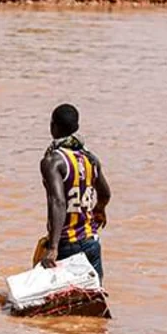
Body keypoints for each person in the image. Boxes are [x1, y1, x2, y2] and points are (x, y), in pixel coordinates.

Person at [36, 104, 111, 279]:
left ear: (53, 127)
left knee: (57, 303)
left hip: (66, 244)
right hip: (91, 242)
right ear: (76, 128)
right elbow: (105, 194)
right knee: (92, 300)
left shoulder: (53, 161)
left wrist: (53, 247)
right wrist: (99, 209)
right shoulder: (90, 159)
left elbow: (58, 202)